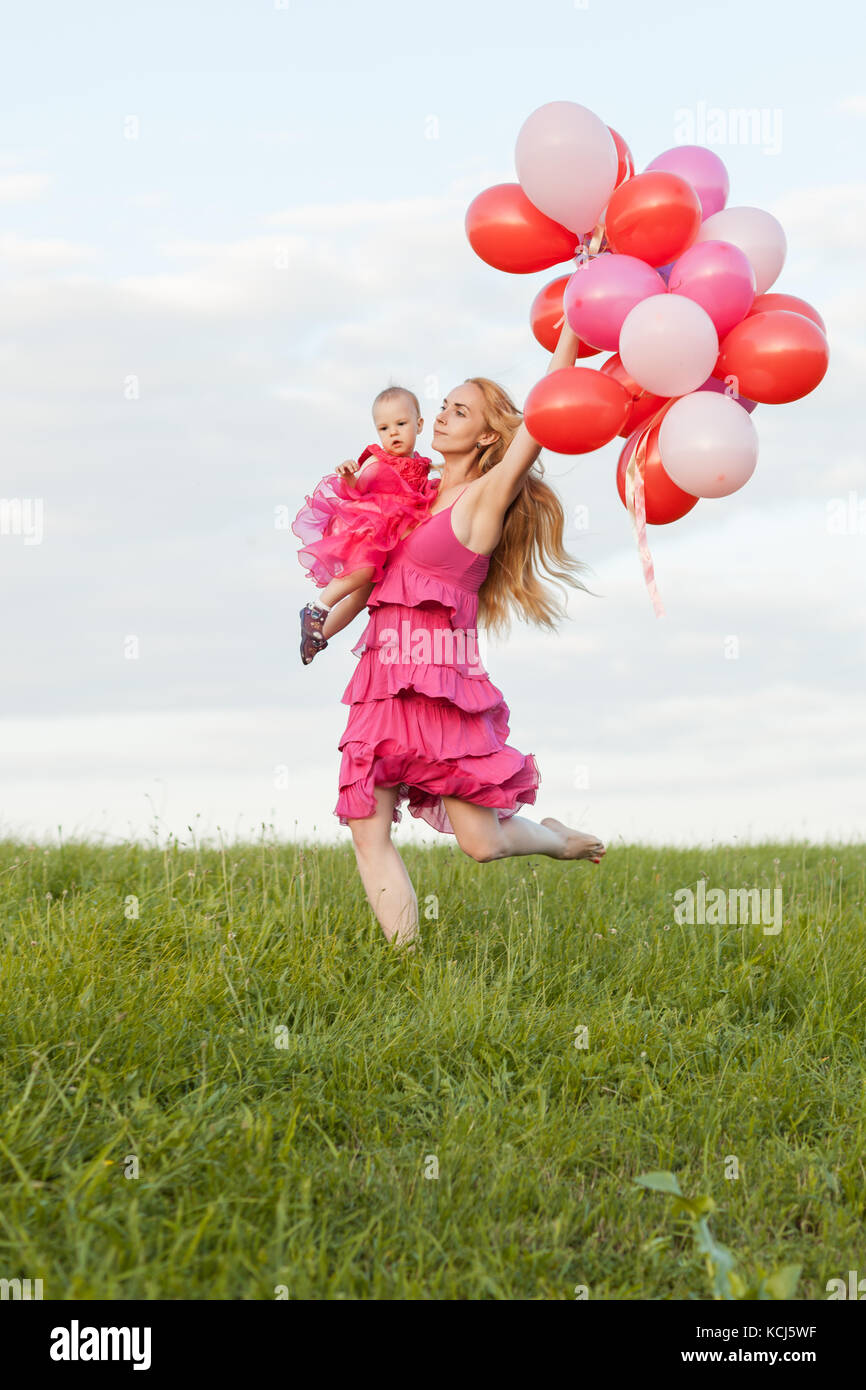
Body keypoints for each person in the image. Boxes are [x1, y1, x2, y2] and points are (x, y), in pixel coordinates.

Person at [333, 322, 606, 950]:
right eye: (445, 405)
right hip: (382, 676)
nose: (443, 416)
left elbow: (538, 420)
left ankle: (558, 839)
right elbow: (368, 565)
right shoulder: (416, 491)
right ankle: (405, 969)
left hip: (442, 683)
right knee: (364, 829)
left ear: (486, 433)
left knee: (482, 844)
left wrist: (571, 325)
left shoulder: (487, 496)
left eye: (461, 410)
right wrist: (325, 620)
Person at [293, 386, 434, 664]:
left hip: (392, 544)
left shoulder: (421, 465)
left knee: (360, 601)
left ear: (419, 425)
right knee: (362, 571)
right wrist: (348, 476)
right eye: (384, 428)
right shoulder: (377, 459)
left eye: (401, 424)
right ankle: (317, 607)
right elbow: (357, 487)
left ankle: (318, 637)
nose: (392, 433)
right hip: (371, 533)